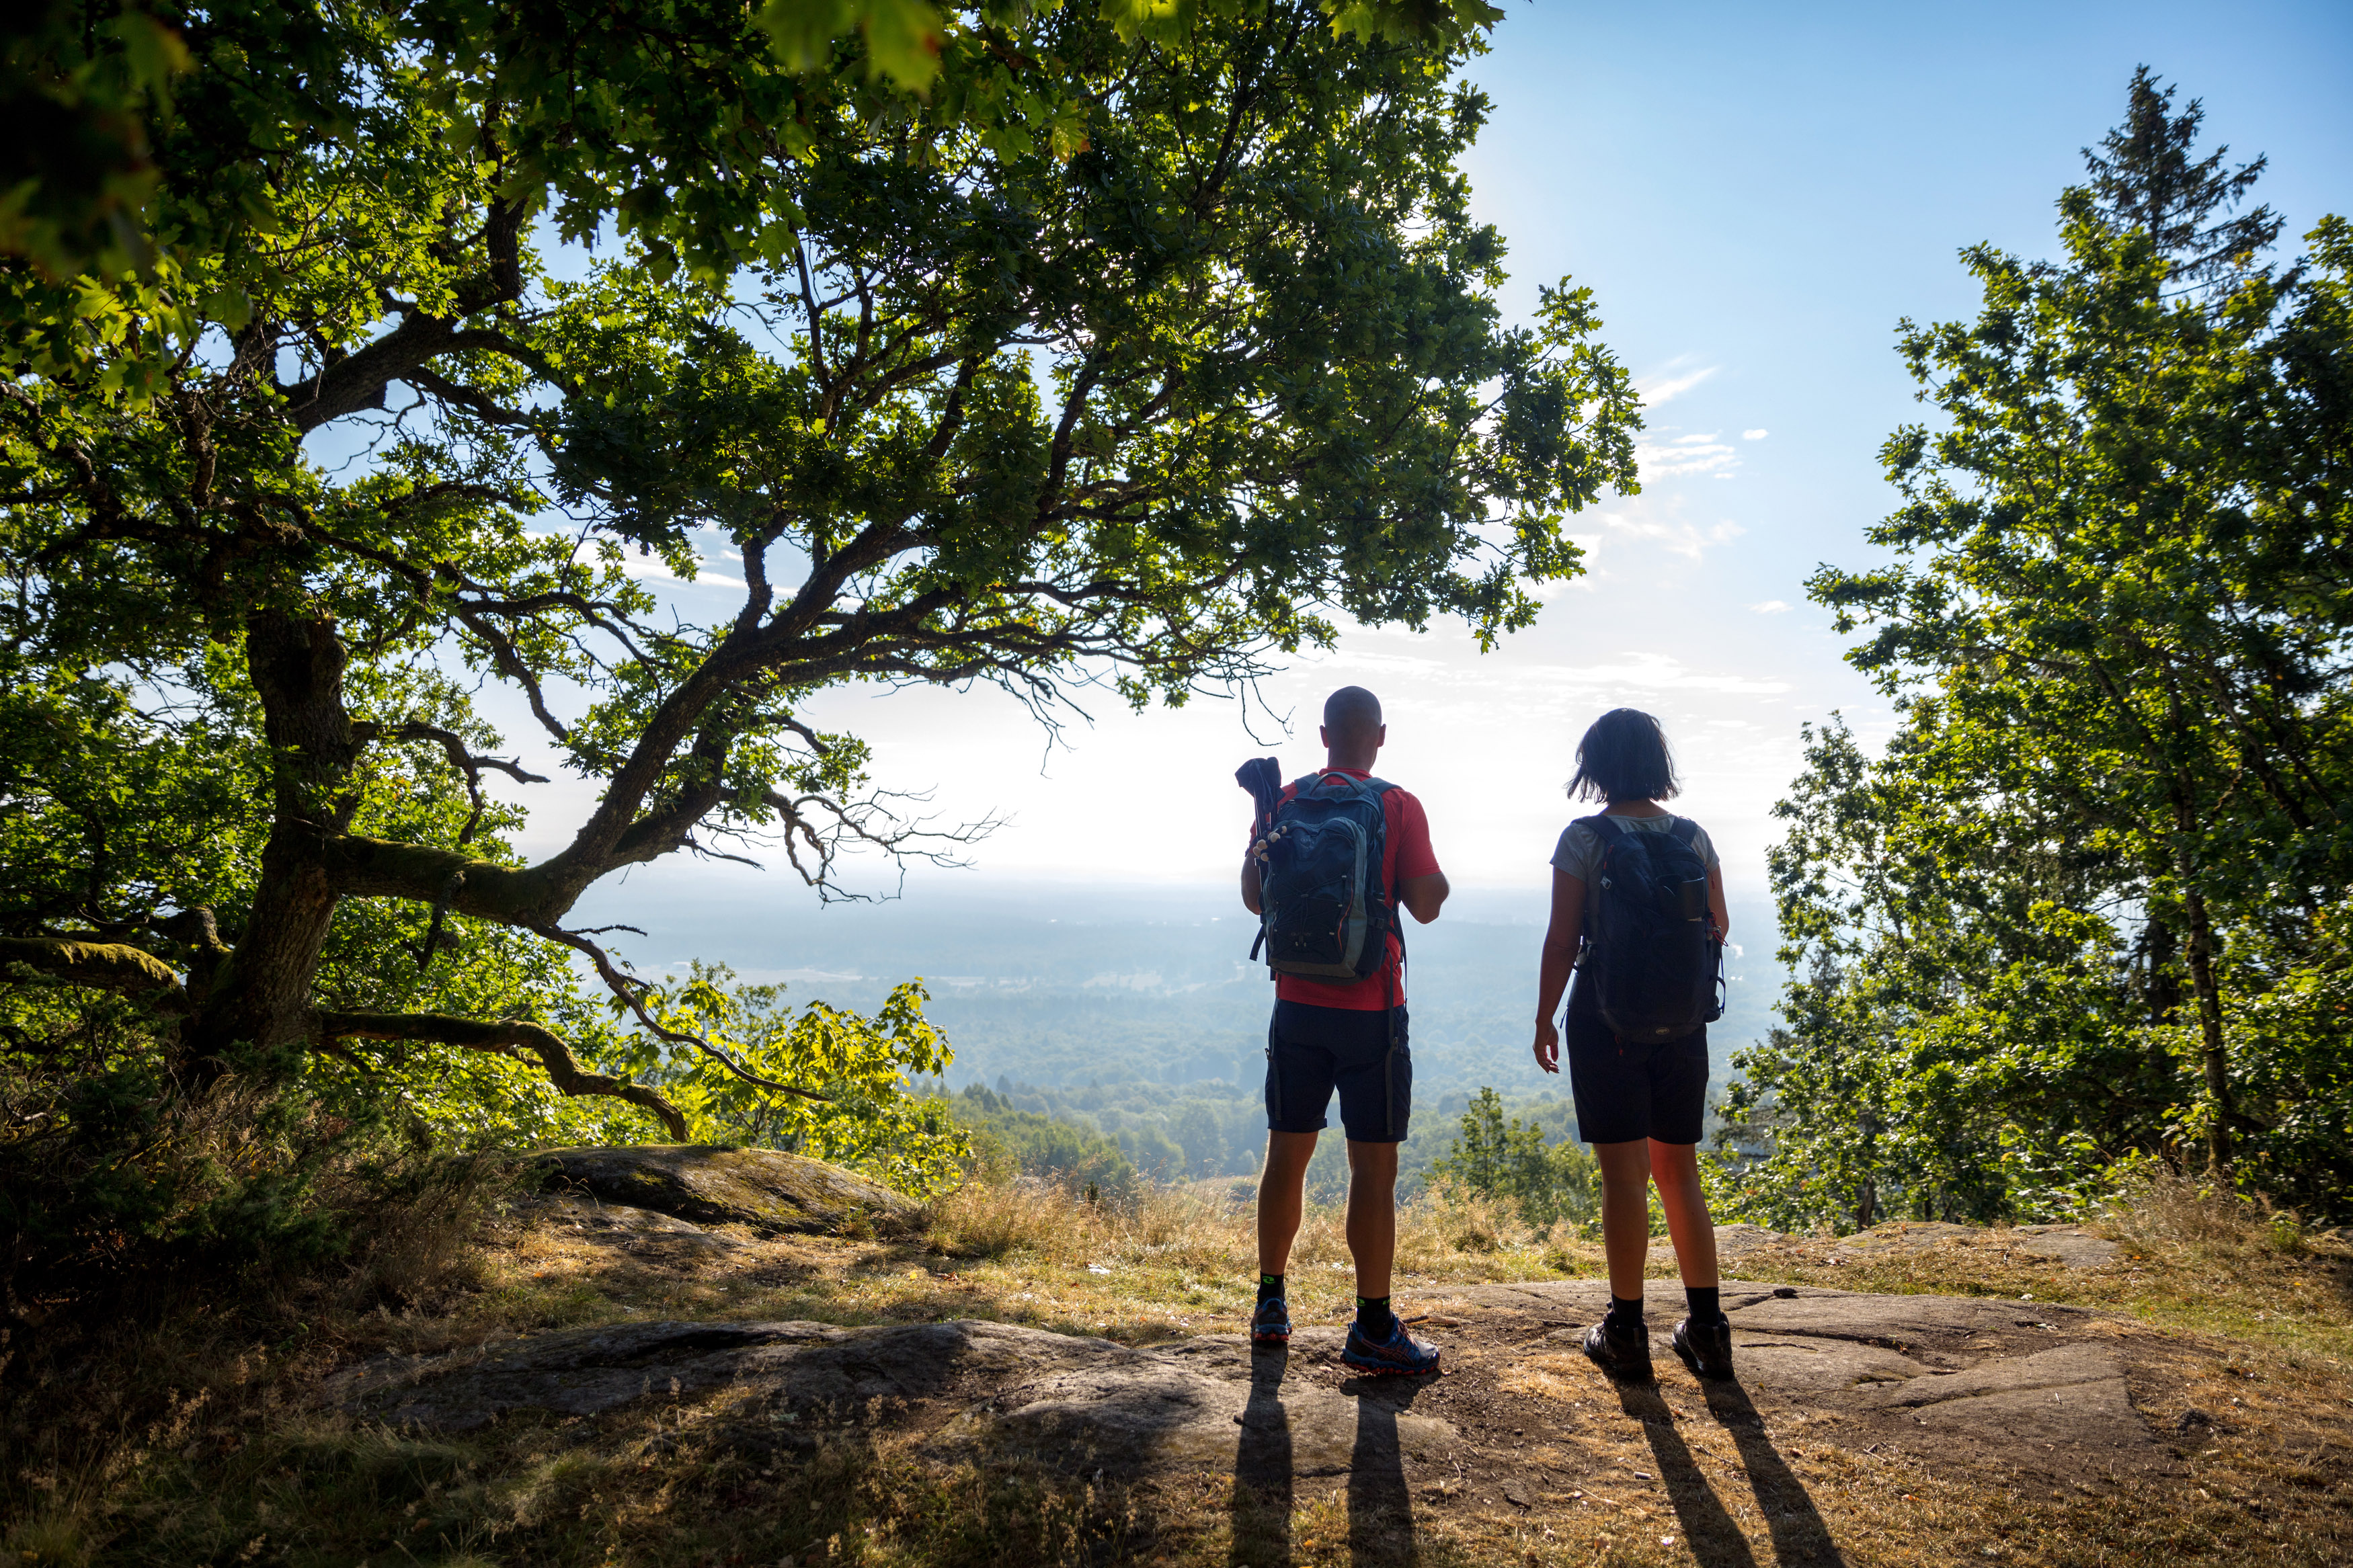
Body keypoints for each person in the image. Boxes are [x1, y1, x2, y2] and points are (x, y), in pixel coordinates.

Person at [1240, 686, 1449, 1375]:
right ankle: (1371, 1323)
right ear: (1379, 736)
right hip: (1372, 1012)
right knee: (1373, 1169)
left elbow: (1252, 894)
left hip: (1296, 1002)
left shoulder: (1286, 798)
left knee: (1286, 1154)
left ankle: (1271, 1301)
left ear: (1324, 731)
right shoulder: (1395, 804)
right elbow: (1425, 905)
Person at [1531, 708, 1735, 1381]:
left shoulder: (1584, 838)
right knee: (1679, 1172)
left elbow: (1563, 938)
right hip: (1682, 1024)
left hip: (1605, 1021)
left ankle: (1625, 1329)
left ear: (1595, 764)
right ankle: (1706, 1328)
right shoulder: (1693, 836)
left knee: (1624, 1176)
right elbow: (1718, 923)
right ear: (1657, 763)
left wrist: (1545, 1016)